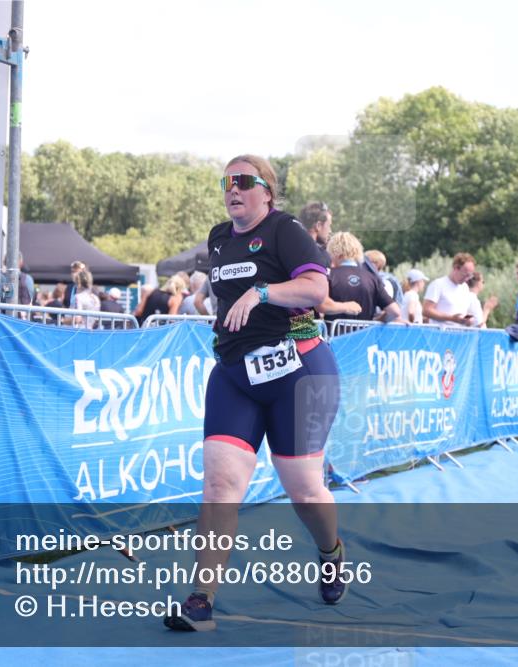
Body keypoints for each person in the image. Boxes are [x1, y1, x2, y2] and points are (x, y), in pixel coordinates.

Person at [164, 155, 345, 632]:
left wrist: (261, 294)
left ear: (267, 190)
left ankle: (331, 551)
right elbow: (220, 294)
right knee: (220, 484)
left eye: (243, 181)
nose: (232, 188)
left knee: (304, 490)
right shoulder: (219, 238)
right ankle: (201, 600)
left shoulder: (285, 229)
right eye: (226, 181)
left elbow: (315, 287)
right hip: (236, 375)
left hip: (298, 370)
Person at [318, 232, 401, 323]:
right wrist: (377, 321)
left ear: (334, 252)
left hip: (335, 335)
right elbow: (395, 311)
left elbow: (321, 306)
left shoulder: (329, 275)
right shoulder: (372, 278)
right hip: (364, 335)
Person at [423, 253, 477, 326]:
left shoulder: (465, 288)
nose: (467, 279)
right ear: (456, 268)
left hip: (459, 334)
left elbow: (463, 312)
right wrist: (452, 318)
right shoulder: (438, 284)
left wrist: (468, 319)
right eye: (465, 275)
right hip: (440, 334)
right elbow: (426, 310)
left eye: (469, 276)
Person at [298, 201, 333, 267]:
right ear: (318, 226)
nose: (330, 230)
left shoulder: (287, 248)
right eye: (329, 225)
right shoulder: (322, 257)